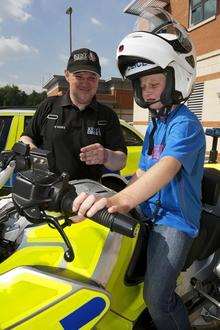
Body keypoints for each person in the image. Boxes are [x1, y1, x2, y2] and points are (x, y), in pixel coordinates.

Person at [71, 7, 206, 330]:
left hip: (175, 220)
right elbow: (144, 172)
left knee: (157, 299)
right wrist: (116, 192)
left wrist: (122, 202)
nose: (146, 92)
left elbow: (166, 168)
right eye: (142, 85)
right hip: (149, 211)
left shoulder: (185, 124)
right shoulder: (156, 123)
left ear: (177, 78)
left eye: (154, 83)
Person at [20, 48, 127, 181]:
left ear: (98, 79)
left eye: (92, 77)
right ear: (67, 75)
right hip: (48, 193)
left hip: (89, 197)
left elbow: (121, 161)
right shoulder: (48, 106)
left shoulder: (108, 115)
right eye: (79, 76)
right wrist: (35, 154)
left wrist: (106, 155)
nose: (85, 83)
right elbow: (26, 138)